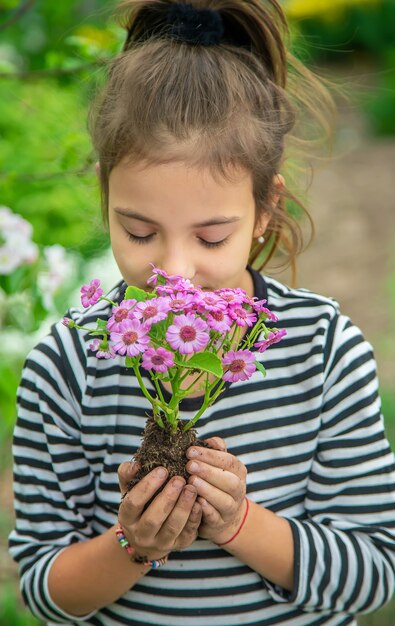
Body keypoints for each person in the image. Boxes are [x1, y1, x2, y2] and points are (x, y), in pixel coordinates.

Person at [9, 1, 395, 625]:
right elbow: (43, 591)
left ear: (265, 207)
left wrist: (241, 522)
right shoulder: (67, 364)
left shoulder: (323, 350)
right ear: (106, 192)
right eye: (139, 232)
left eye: (211, 238)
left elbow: (373, 574)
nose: (176, 270)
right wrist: (133, 545)